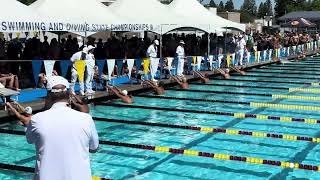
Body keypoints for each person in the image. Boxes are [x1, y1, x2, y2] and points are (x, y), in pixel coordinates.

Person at [25, 76, 99, 180]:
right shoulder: (86, 119)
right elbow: (94, 148)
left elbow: (30, 139)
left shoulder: (36, 120)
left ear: (48, 96)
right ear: (69, 95)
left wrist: (45, 108)